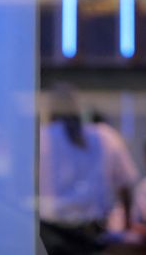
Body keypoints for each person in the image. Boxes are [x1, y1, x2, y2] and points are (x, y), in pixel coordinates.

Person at [39, 84, 117, 254]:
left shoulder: (42, 137)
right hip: (90, 232)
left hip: (52, 233)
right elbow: (126, 182)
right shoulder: (101, 136)